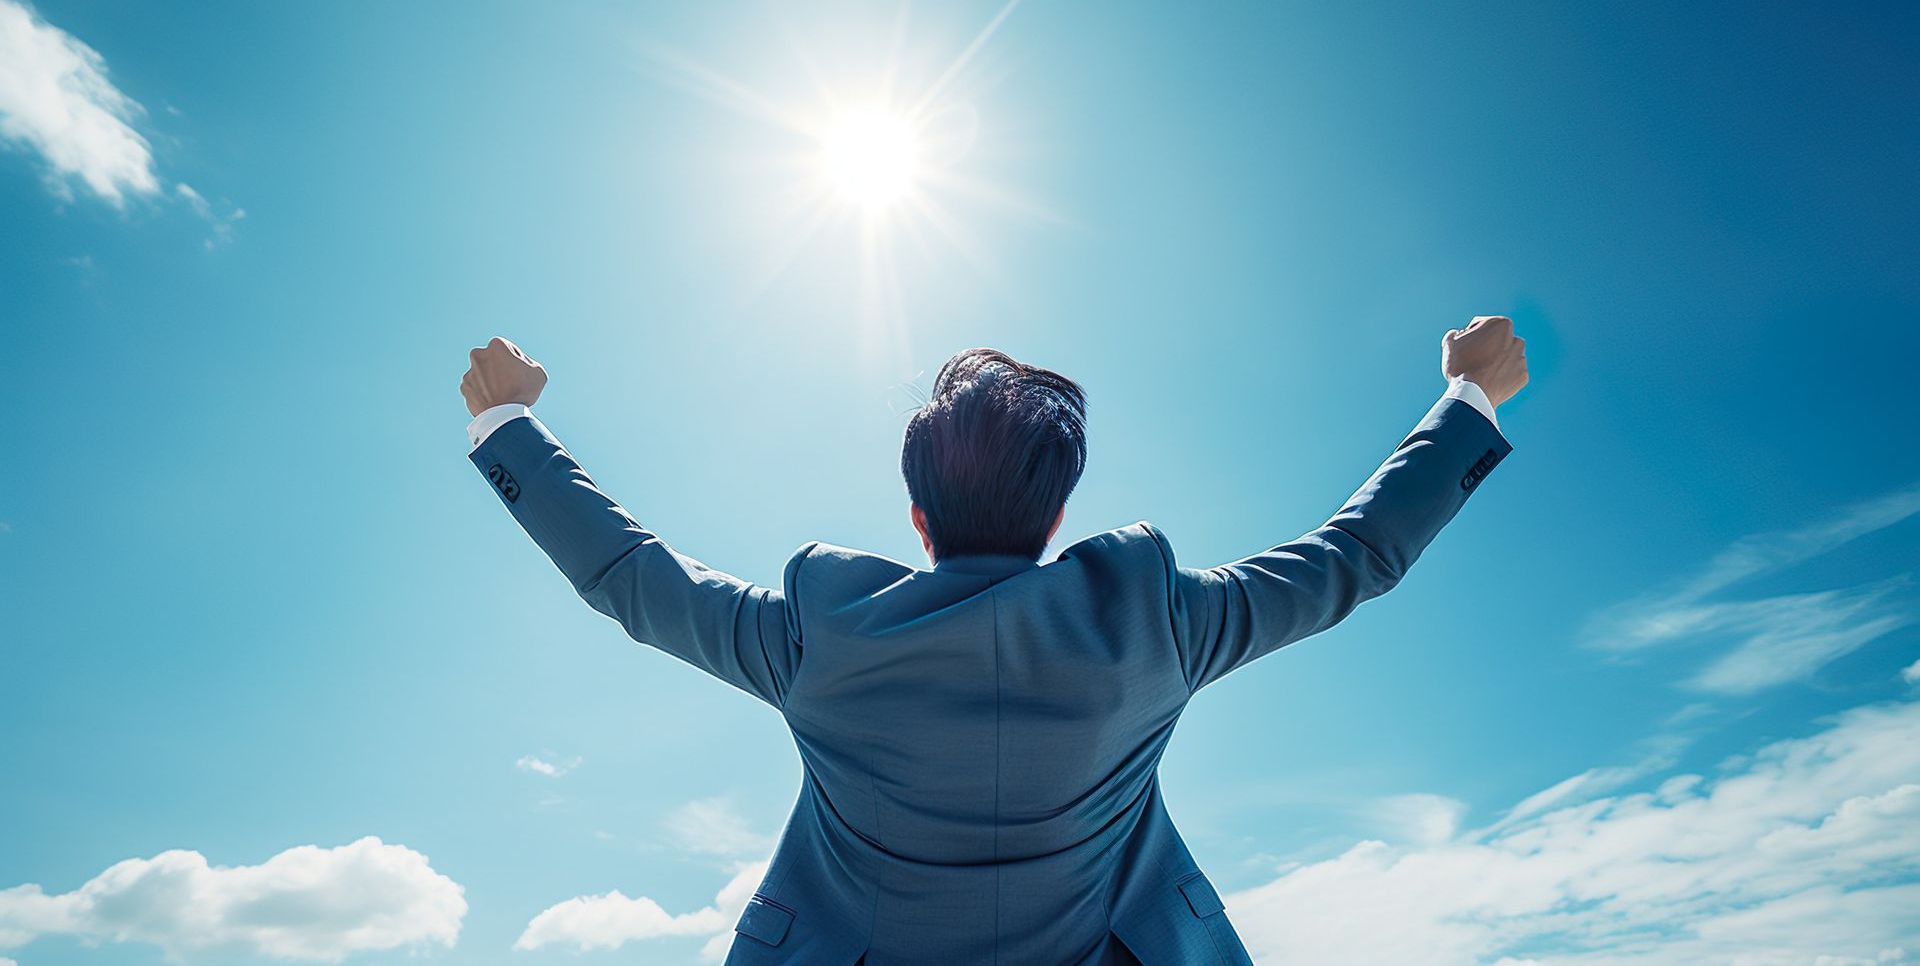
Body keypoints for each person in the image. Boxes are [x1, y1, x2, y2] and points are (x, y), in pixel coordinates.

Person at [460, 317, 1527, 965]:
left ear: (917, 520)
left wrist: (508, 421)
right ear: (1059, 518)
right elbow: (1357, 553)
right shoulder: (1153, 619)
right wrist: (1466, 394)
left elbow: (632, 578)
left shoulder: (820, 634)